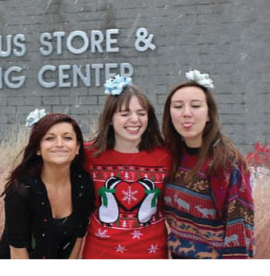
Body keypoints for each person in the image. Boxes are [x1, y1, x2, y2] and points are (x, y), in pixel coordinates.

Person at [162, 70, 255, 259]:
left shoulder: (226, 163)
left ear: (209, 115)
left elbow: (240, 228)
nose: (186, 113)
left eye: (195, 106)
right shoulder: (169, 157)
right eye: (178, 106)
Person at [82, 76, 172, 259]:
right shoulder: (88, 155)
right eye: (124, 114)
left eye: (141, 113)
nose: (134, 119)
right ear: (109, 119)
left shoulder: (166, 156)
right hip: (100, 252)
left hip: (151, 253)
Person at [0, 111, 94, 259]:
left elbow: (78, 237)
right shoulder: (21, 190)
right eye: (50, 138)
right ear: (38, 149)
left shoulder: (83, 184)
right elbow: (17, 250)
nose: (59, 144)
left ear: (77, 147)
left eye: (67, 138)